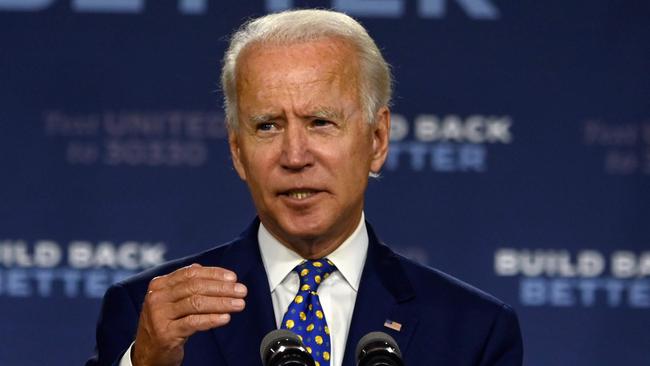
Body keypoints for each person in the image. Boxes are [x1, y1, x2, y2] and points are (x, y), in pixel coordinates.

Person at [87, 9, 523, 366]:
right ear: (237, 151)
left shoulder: (473, 331)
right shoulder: (148, 315)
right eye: (268, 126)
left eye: (320, 122)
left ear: (377, 139)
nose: (295, 156)